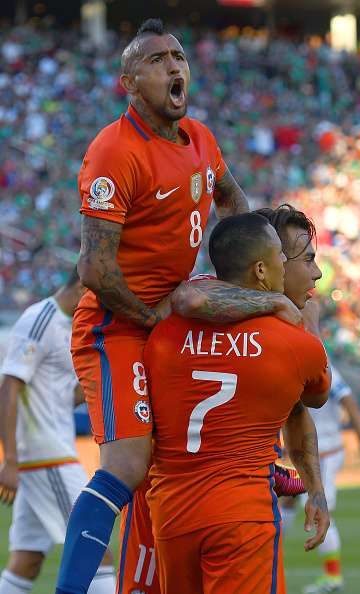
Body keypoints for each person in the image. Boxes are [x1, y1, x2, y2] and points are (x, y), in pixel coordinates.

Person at [55, 18, 301, 594]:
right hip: (116, 326)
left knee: (182, 459)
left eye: (179, 56)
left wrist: (261, 260)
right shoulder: (113, 152)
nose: (175, 66)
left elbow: (232, 202)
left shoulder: (200, 138)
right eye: (158, 59)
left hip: (170, 318)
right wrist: (151, 318)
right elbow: (95, 269)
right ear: (129, 82)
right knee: (128, 466)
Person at [116, 204, 326, 594]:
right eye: (305, 259)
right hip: (237, 511)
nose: (316, 272)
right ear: (263, 267)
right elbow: (314, 397)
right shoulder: (292, 343)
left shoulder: (169, 329)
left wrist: (316, 489)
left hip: (168, 508)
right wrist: (305, 324)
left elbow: (296, 412)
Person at [0, 269, 116, 594]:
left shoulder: (71, 327)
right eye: (97, 297)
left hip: (48, 453)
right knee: (96, 549)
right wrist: (9, 459)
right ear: (82, 287)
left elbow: (61, 395)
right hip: (48, 455)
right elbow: (9, 385)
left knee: (27, 560)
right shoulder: (41, 318)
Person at [281, 363, 360, 594]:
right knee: (287, 501)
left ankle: (333, 577)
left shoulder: (321, 367)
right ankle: (270, 560)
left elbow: (350, 403)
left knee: (320, 511)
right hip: (313, 451)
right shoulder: (305, 363)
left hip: (323, 453)